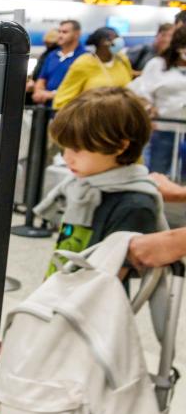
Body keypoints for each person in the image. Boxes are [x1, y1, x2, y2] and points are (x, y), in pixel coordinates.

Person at [34, 87, 161, 277]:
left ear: (119, 146)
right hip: (59, 292)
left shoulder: (135, 205)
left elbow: (111, 279)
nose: (67, 158)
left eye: (77, 149)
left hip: (90, 301)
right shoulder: (81, 186)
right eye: (64, 148)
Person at [129, 27, 186, 175]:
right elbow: (141, 93)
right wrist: (148, 107)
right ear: (179, 47)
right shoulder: (157, 65)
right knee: (158, 173)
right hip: (164, 129)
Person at [53, 27, 133, 110]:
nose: (118, 40)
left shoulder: (122, 59)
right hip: (93, 116)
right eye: (114, 37)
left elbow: (130, 79)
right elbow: (63, 99)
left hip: (122, 114)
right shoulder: (84, 63)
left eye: (118, 37)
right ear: (101, 42)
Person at [32, 20, 82, 106]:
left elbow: (79, 88)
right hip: (47, 109)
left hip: (70, 109)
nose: (60, 35)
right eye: (59, 32)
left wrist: (50, 95)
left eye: (65, 32)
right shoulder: (52, 55)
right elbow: (42, 78)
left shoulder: (85, 57)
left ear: (77, 34)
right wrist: (38, 92)